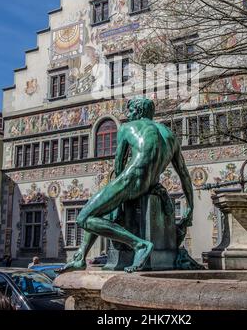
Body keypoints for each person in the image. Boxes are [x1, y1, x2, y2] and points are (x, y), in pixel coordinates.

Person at [62, 97, 194, 273]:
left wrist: (117, 201)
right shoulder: (170, 135)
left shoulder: (126, 128)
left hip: (129, 180)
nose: (129, 115)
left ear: (138, 112)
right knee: (99, 209)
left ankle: (139, 245)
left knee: (84, 218)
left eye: (130, 111)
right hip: (150, 184)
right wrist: (190, 206)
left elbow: (118, 165)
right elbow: (184, 174)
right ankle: (80, 257)